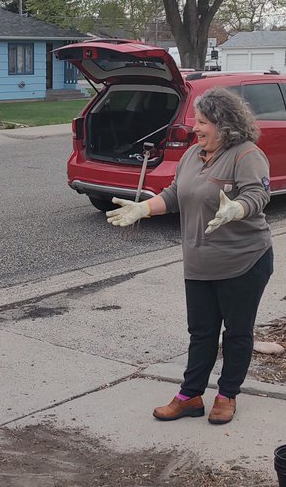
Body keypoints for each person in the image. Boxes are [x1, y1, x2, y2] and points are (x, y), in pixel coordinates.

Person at [105, 87, 273, 426]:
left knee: (237, 332)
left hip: (243, 261)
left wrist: (237, 208)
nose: (195, 127)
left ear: (224, 124)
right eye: (195, 120)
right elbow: (174, 194)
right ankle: (190, 395)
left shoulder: (246, 154)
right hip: (199, 262)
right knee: (201, 332)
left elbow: (258, 194)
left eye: (202, 122)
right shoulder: (192, 155)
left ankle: (227, 395)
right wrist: (143, 208)